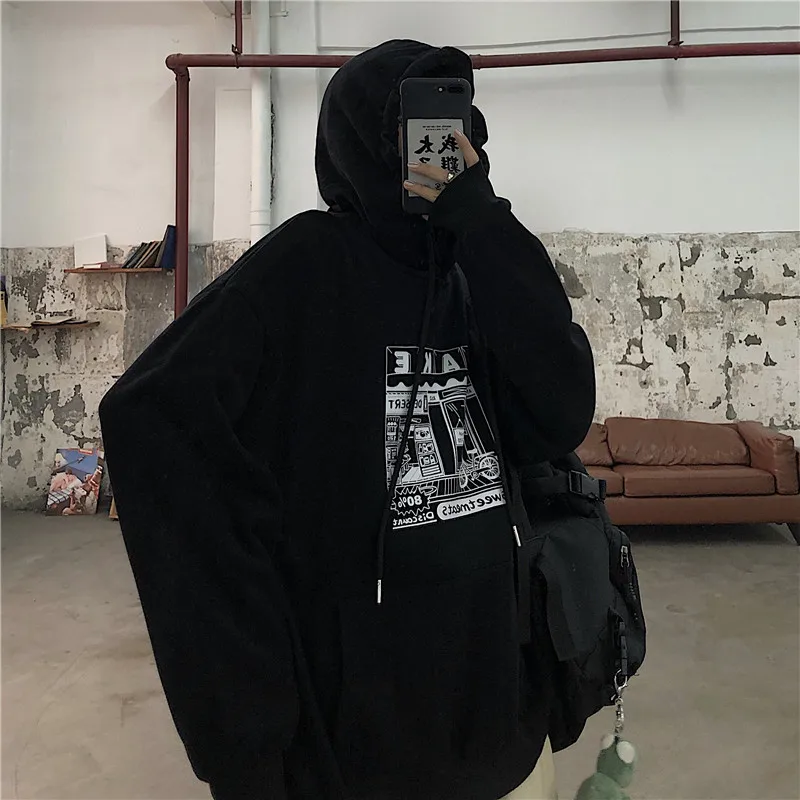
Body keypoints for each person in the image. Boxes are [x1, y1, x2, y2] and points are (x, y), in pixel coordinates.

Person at [100, 40, 595, 800]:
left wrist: (483, 221)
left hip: (500, 713)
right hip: (357, 740)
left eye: (454, 119)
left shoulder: (474, 269)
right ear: (363, 139)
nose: (440, 141)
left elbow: (560, 416)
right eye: (412, 122)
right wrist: (245, 721)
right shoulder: (306, 265)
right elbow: (151, 415)